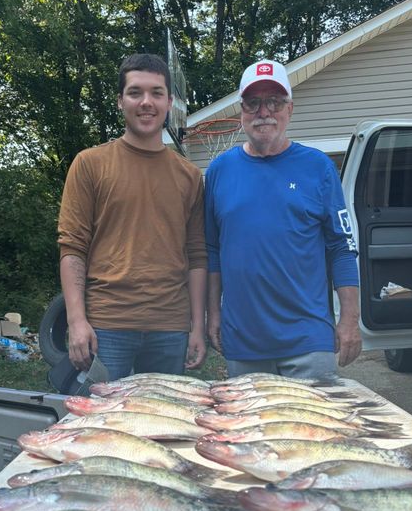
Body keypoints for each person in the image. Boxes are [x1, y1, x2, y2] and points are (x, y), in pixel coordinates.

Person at [204, 59, 361, 380]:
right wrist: (213, 315)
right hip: (243, 342)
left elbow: (342, 248)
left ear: (290, 109)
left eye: (274, 102)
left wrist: (349, 320)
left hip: (308, 341)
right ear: (241, 111)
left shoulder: (318, 167)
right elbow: (212, 251)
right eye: (253, 103)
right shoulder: (220, 171)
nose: (264, 112)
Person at [57, 53, 207, 381]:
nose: (146, 102)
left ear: (169, 102)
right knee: (101, 414)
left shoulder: (190, 176)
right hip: (107, 325)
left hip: (171, 327)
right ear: (120, 101)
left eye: (156, 93)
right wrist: (76, 320)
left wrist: (198, 326)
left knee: (163, 416)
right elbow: (72, 248)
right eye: (135, 92)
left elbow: (197, 256)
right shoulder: (89, 164)